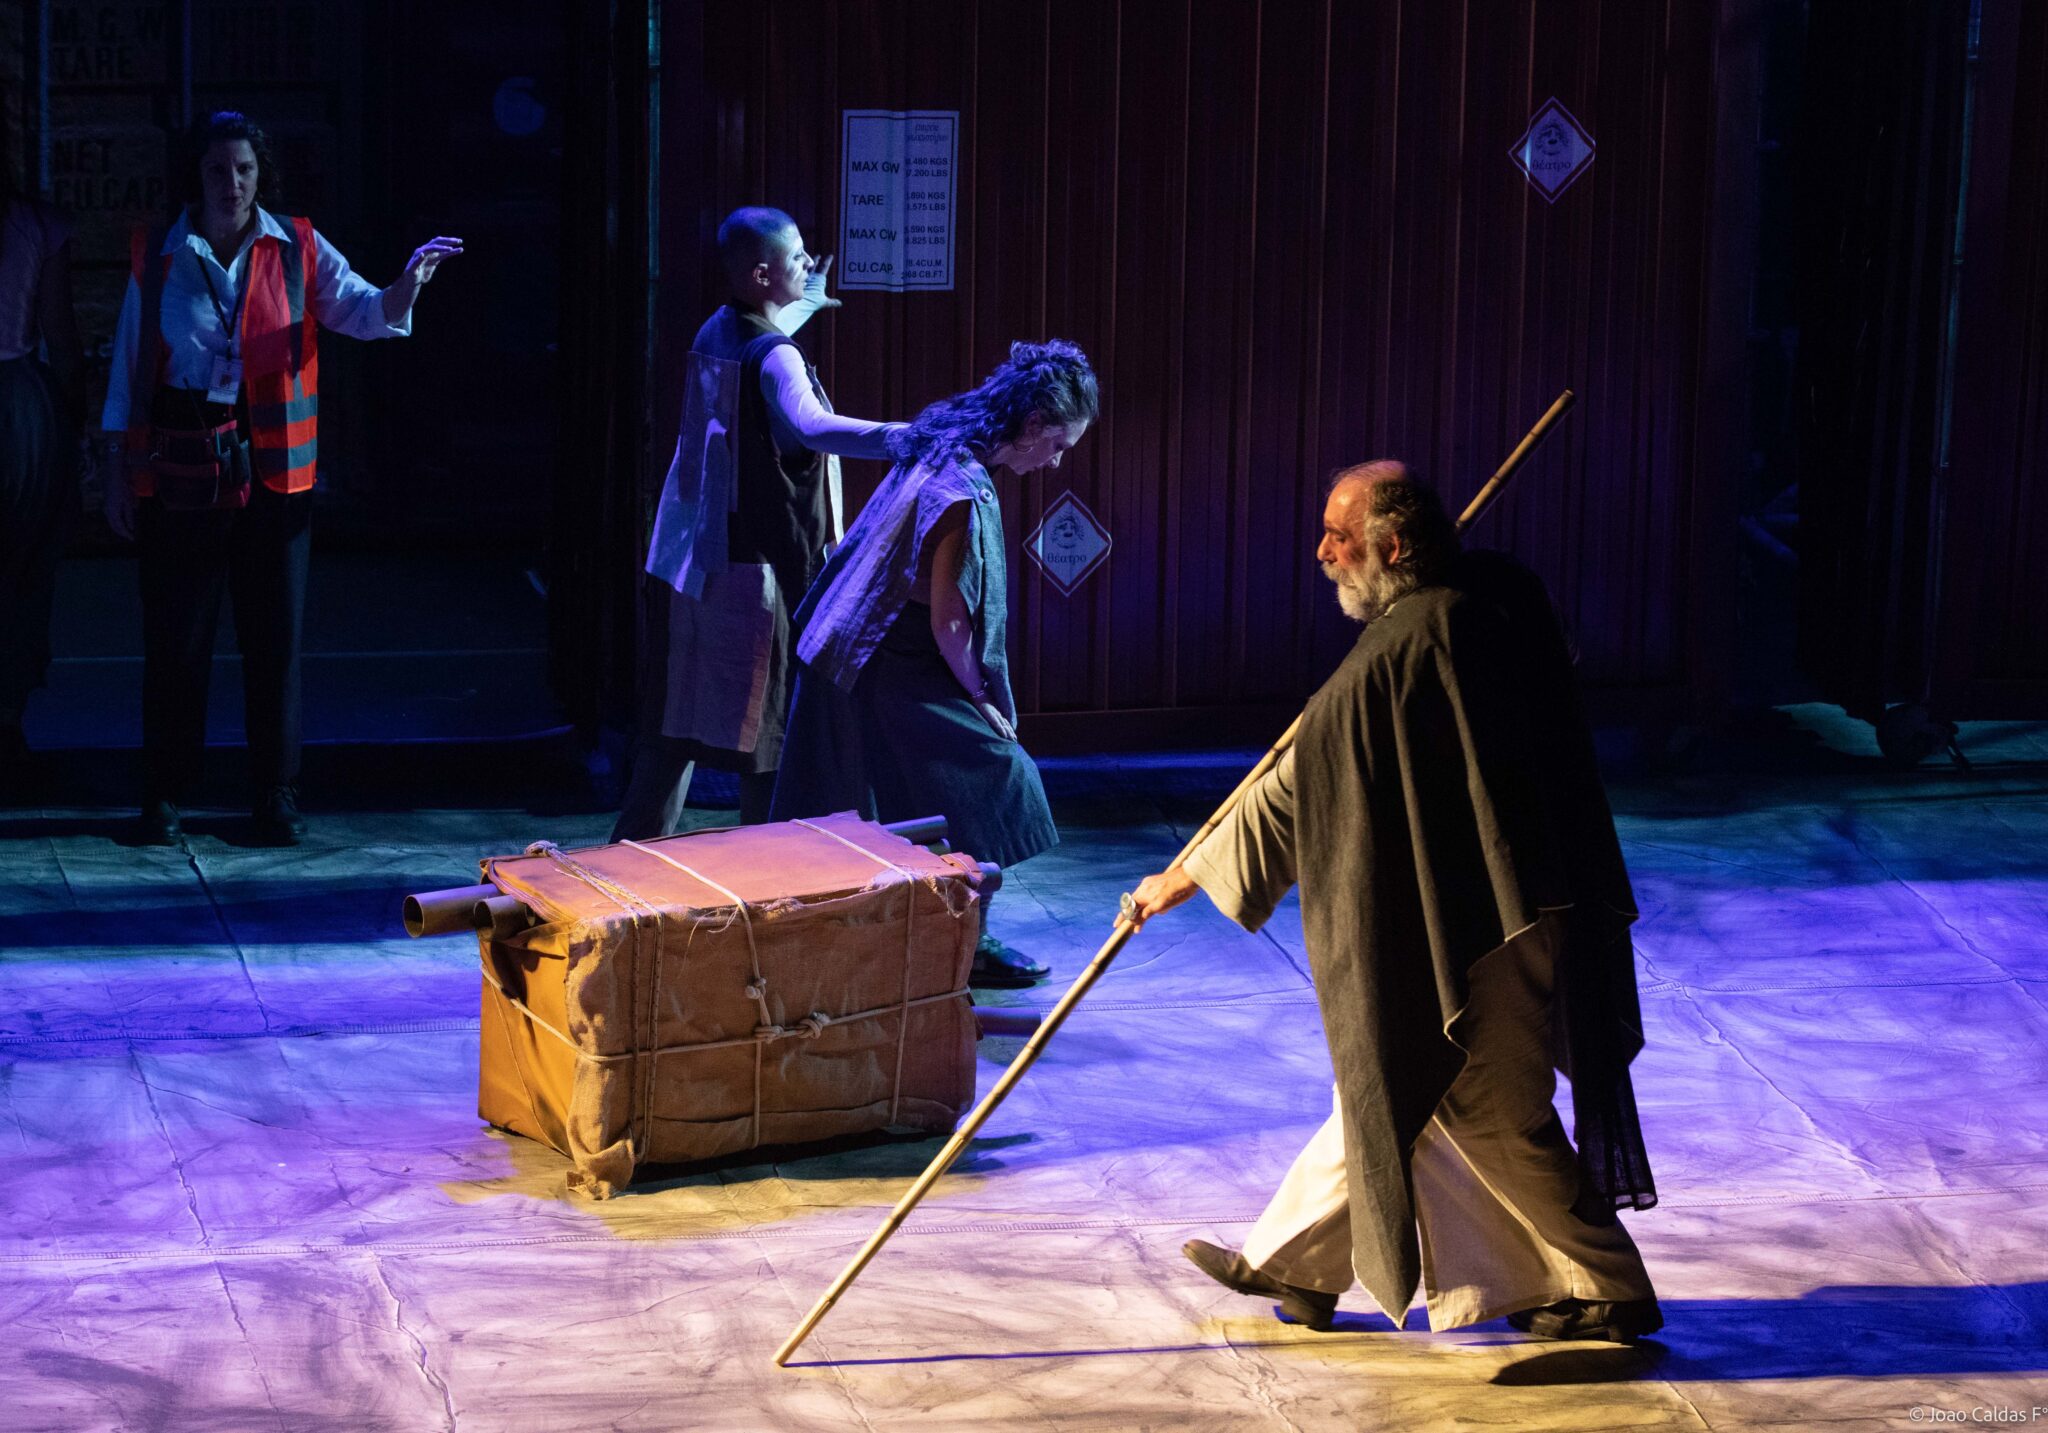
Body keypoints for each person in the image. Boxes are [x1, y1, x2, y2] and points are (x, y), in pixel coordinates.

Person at [1129, 462, 1662, 1340]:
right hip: (1505, 899)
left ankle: (1613, 1283)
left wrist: (1182, 876)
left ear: (1396, 545)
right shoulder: (1495, 597)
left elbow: (1303, 781)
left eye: (1341, 538)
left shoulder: (1410, 649)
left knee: (1490, 1110)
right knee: (1392, 1078)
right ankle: (1295, 1267)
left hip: (1492, 925)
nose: (1322, 553)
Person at [98, 110, 462, 846]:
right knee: (176, 637)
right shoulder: (160, 253)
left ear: (260, 175)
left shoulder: (296, 245)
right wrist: (115, 468)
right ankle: (164, 794)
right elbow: (128, 366)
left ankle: (275, 792)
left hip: (275, 475)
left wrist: (408, 283)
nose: (230, 183)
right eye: (216, 170)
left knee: (273, 641)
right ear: (195, 176)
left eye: (243, 169)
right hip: (184, 463)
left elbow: (365, 312)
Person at [769, 339, 1098, 989]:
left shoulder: (944, 438)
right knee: (997, 775)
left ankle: (948, 939)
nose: (1057, 461)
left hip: (865, 645)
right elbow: (951, 619)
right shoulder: (960, 487)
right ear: (1032, 424)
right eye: (1058, 444)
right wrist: (982, 697)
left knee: (910, 797)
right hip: (878, 654)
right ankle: (958, 944)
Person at [613, 206, 900, 838]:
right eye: (797, 257)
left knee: (677, 723)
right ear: (762, 274)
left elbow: (763, 343)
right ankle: (760, 867)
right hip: (753, 574)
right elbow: (810, 425)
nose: (809, 262)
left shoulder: (717, 330)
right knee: (763, 737)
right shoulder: (775, 357)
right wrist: (904, 437)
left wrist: (806, 298)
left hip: (695, 563)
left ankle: (628, 854)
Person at [0, 136, 85, 798]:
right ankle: (7, 728)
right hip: (19, 408)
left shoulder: (34, 222)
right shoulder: (33, 222)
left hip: (18, 405)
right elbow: (60, 334)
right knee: (20, 571)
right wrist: (74, 426)